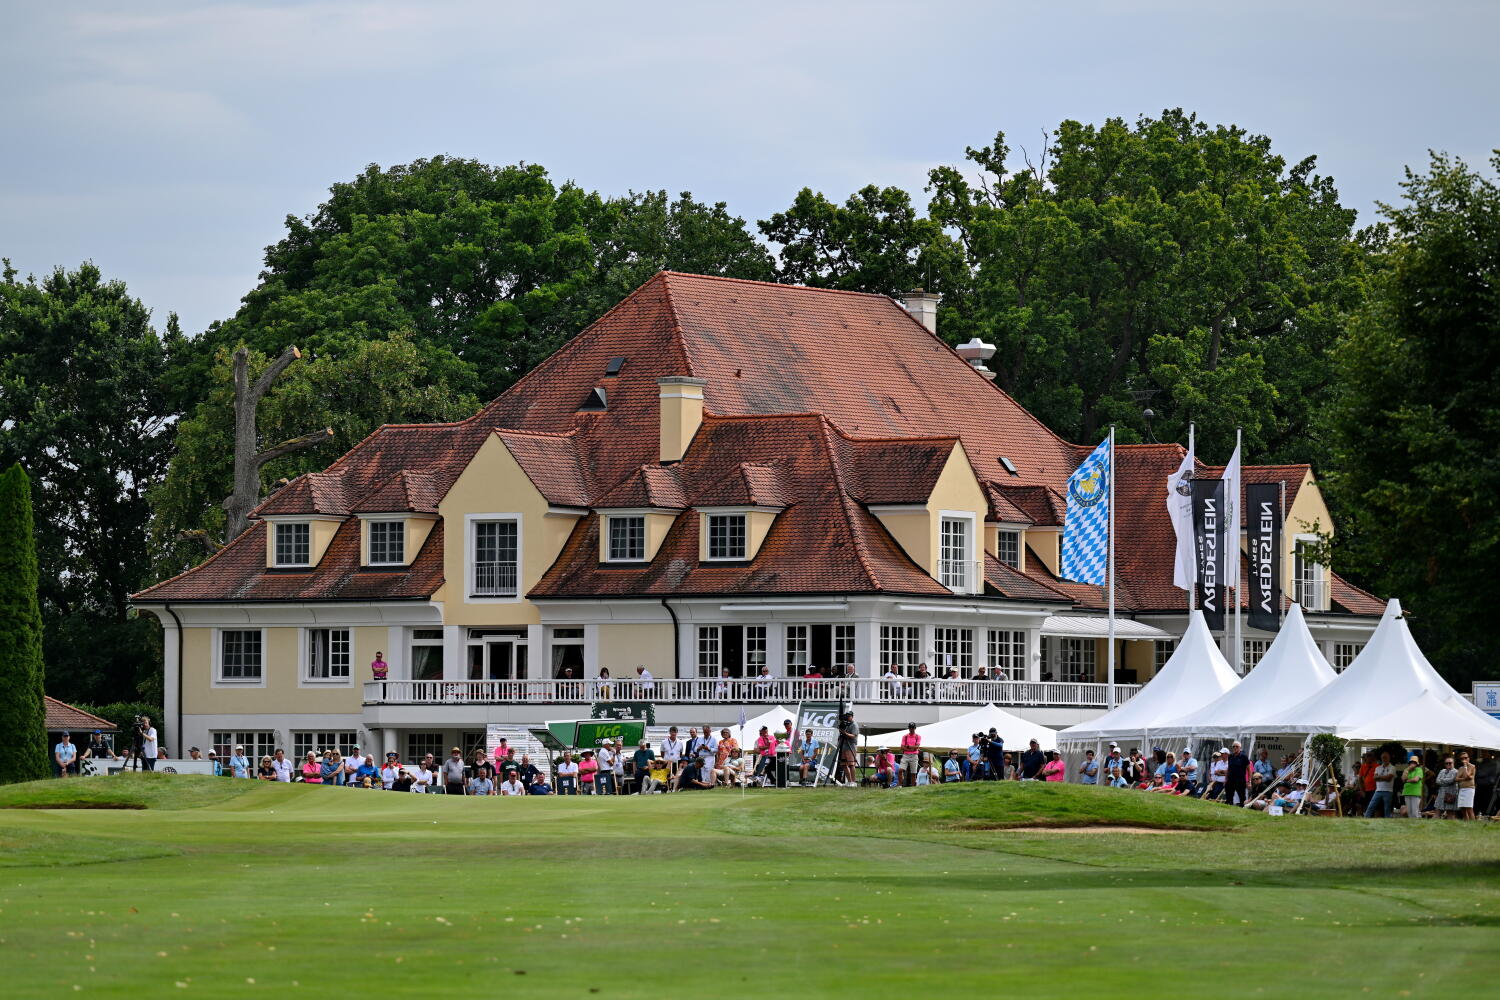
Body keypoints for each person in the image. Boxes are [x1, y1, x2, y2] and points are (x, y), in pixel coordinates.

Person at [1364, 751, 1396, 817]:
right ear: (1381, 758)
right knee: (1371, 806)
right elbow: (1375, 778)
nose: (1384, 759)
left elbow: (1389, 778)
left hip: (1388, 791)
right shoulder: (1378, 768)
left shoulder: (1392, 768)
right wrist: (1383, 777)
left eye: (1386, 757)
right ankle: (1365, 818)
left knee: (1387, 808)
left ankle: (1387, 822)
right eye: (1383, 757)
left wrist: (1379, 777)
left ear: (1389, 758)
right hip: (1378, 790)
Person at [837, 711, 859, 787]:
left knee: (851, 764)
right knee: (843, 764)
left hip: (851, 746)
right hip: (844, 746)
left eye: (849, 716)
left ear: (852, 716)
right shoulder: (846, 724)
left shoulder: (854, 725)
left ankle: (853, 782)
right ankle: (849, 781)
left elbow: (854, 735)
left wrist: (845, 733)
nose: (848, 717)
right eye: (847, 716)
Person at [1225, 742, 1250, 807]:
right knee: (1229, 796)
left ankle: (1242, 808)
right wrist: (1226, 779)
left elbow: (1249, 770)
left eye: (1237, 746)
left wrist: (1249, 781)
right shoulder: (1230, 756)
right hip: (1230, 779)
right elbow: (1228, 768)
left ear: (1240, 748)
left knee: (1242, 796)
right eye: (1234, 746)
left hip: (1240, 780)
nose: (1235, 748)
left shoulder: (1244, 756)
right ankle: (1229, 808)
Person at [1454, 751, 1477, 821]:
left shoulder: (1472, 766)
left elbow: (1468, 776)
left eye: (1465, 758)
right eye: (1462, 758)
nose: (1464, 760)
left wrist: (1465, 767)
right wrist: (1464, 778)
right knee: (1462, 808)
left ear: (1469, 758)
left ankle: (1473, 824)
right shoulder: (1460, 768)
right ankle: (1466, 823)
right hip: (1462, 789)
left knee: (1469, 808)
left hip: (1469, 789)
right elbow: (1456, 779)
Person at [899, 722, 922, 787]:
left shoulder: (918, 736)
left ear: (915, 728)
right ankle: (900, 785)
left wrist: (908, 747)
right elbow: (902, 747)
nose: (911, 729)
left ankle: (912, 787)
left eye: (913, 727)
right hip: (906, 755)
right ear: (908, 728)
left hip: (914, 756)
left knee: (913, 773)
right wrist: (912, 748)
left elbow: (917, 747)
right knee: (901, 770)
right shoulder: (905, 736)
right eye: (910, 727)